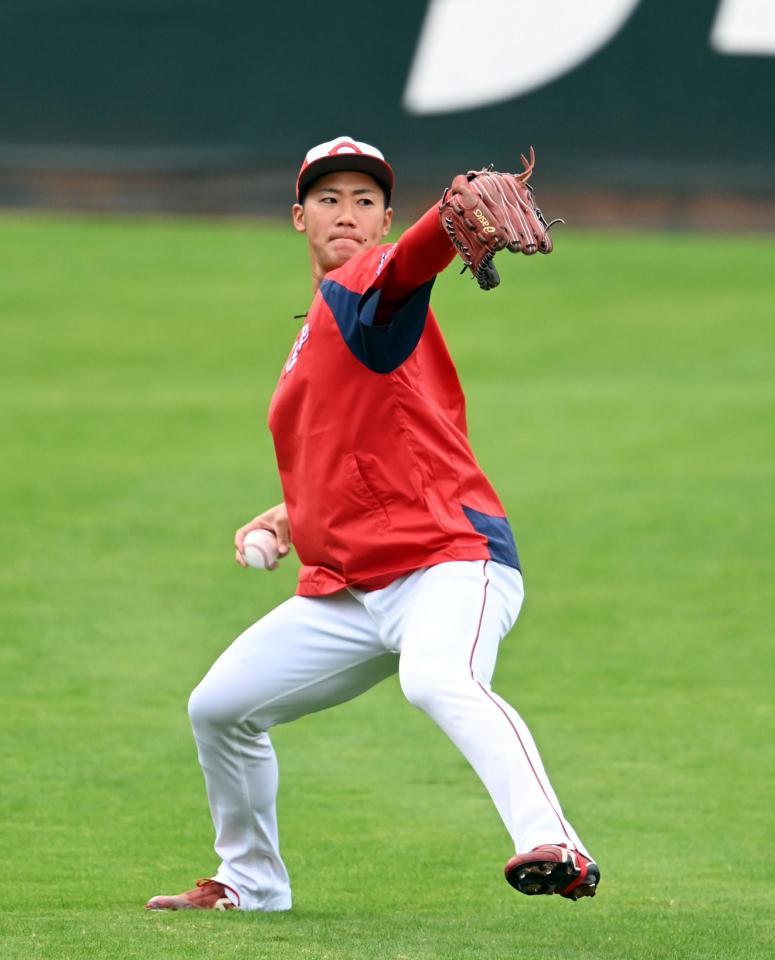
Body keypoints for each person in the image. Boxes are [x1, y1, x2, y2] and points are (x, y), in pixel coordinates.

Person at [145, 136, 599, 912]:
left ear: (385, 219)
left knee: (436, 678)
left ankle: (557, 843)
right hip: (351, 585)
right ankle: (249, 883)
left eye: (364, 202)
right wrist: (295, 512)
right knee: (219, 707)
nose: (346, 214)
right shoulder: (319, 324)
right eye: (328, 199)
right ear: (298, 218)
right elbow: (354, 439)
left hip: (448, 559)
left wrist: (437, 223)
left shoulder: (370, 283)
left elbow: (409, 264)